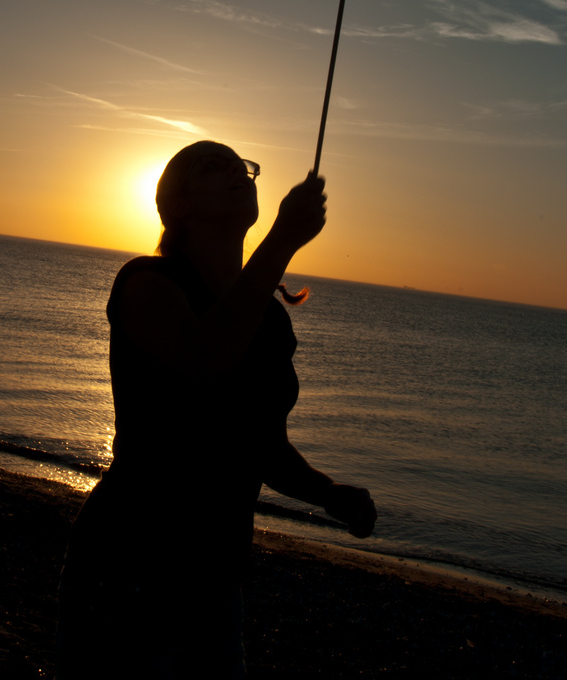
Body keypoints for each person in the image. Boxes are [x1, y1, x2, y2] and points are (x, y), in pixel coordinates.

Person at [57, 140, 376, 678]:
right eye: (211, 165)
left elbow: (261, 444)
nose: (237, 170)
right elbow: (203, 360)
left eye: (242, 164)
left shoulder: (270, 320)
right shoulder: (147, 283)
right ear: (176, 206)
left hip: (217, 571)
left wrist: (326, 492)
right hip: (129, 558)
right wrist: (280, 243)